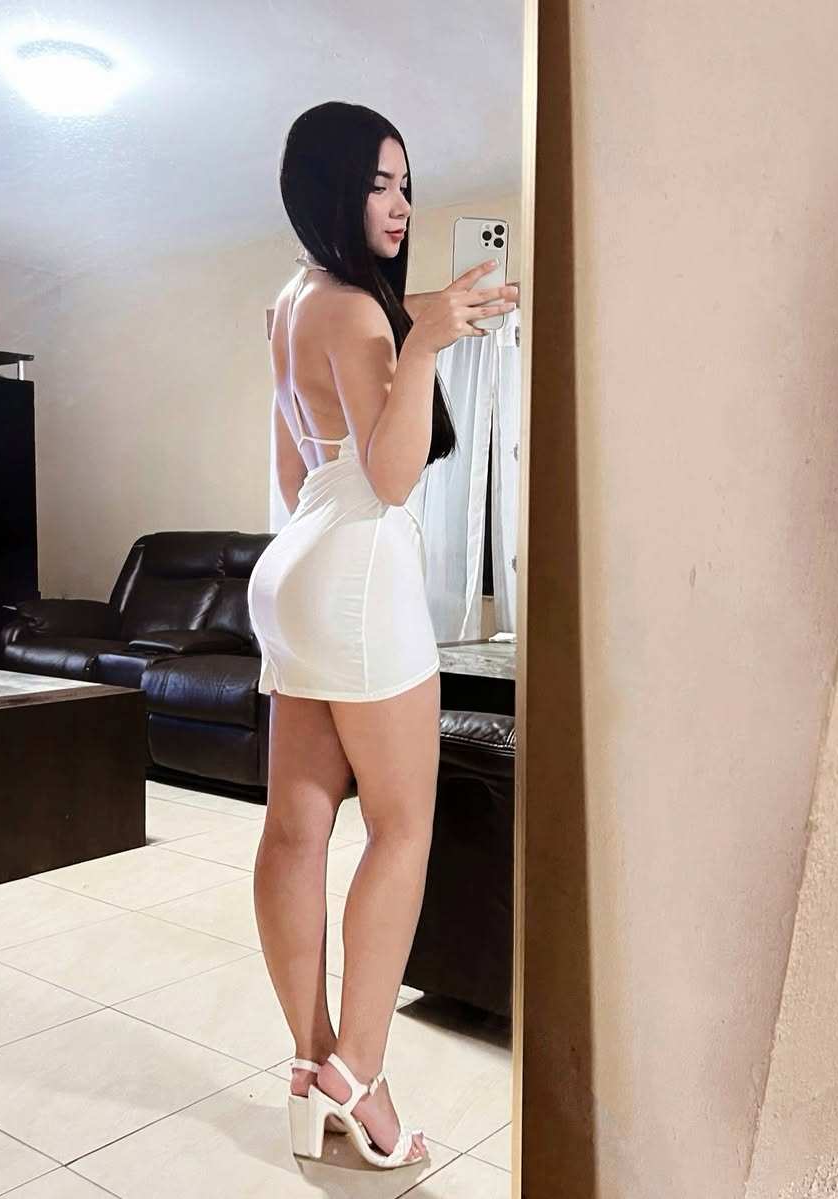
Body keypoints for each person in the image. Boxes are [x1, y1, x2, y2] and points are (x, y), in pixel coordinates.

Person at [248, 100, 517, 1170]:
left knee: (296, 827)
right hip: (359, 565)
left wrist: (418, 320)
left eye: (405, 183)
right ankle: (360, 1075)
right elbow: (394, 475)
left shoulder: (291, 301)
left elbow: (292, 467)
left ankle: (311, 1059)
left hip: (295, 562)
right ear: (331, 186)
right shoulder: (361, 313)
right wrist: (429, 337)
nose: (399, 204)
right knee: (402, 825)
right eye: (376, 184)